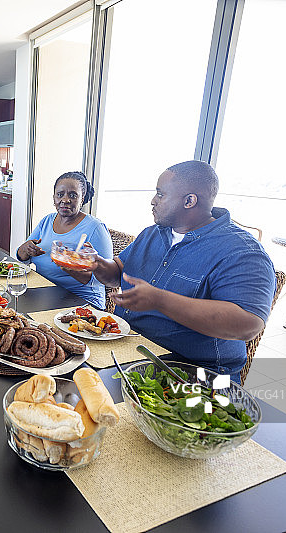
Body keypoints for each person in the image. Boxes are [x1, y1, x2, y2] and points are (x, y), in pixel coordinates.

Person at [86, 160, 276, 382]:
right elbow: (118, 273)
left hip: (191, 374)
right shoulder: (153, 233)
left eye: (160, 194)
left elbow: (249, 325)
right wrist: (98, 264)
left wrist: (160, 300)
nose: (153, 201)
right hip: (127, 350)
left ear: (189, 201)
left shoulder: (243, 252)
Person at [15, 171, 113, 310]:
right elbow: (22, 256)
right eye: (60, 194)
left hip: (82, 301)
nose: (65, 200)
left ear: (82, 198)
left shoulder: (95, 228)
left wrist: (73, 267)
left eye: (72, 195)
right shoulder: (47, 221)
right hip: (45, 293)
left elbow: (107, 278)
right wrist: (26, 249)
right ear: (54, 197)